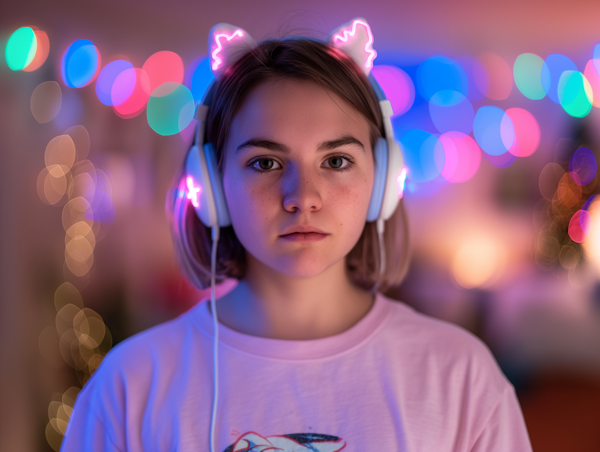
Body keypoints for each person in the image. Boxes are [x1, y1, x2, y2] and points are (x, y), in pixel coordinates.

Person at [61, 19, 533, 452]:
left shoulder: (462, 378)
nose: (303, 197)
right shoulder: (129, 386)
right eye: (265, 163)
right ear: (210, 185)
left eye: (336, 161)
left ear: (383, 180)